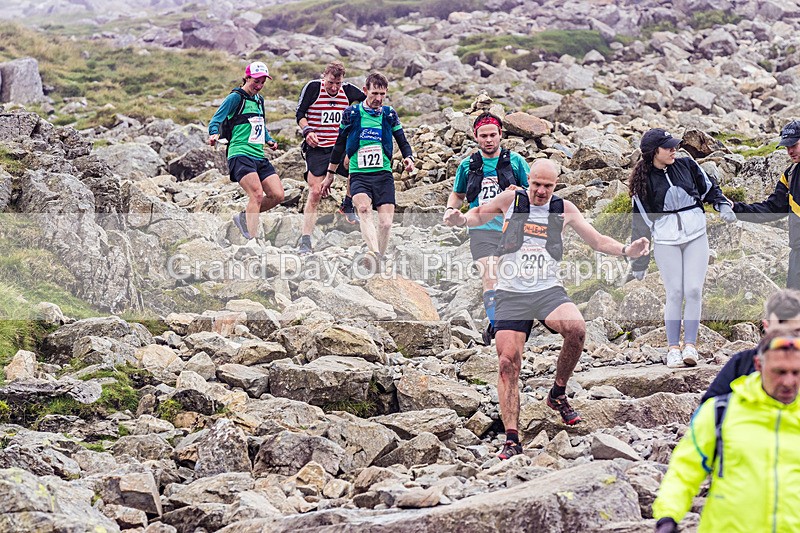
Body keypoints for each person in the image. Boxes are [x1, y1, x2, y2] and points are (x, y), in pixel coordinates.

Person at [444, 159, 649, 459]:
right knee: (507, 363)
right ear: (529, 179)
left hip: (546, 291)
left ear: (556, 185)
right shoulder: (511, 199)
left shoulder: (564, 209)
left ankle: (557, 393)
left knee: (577, 329)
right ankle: (512, 438)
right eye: (536, 184)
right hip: (511, 293)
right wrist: (459, 219)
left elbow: (596, 239)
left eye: (548, 186)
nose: (541, 191)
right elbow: (476, 215)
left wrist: (626, 251)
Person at [652, 324, 800, 533]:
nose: (788, 382)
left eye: (796, 372)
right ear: (758, 364)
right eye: (779, 372)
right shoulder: (720, 412)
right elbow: (684, 471)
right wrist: (667, 517)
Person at [630, 128, 735, 369]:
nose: (673, 149)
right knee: (675, 292)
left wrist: (721, 205)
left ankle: (690, 346)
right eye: (667, 147)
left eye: (673, 145)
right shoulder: (642, 183)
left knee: (694, 290)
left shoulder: (687, 165)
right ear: (653, 152)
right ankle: (673, 349)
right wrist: (639, 263)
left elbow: (709, 189)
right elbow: (641, 225)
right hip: (666, 241)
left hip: (696, 235)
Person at [443, 112, 529, 345]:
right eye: (484, 136)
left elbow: (536, 195)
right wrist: (451, 210)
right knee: (489, 277)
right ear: (475, 136)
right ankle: (498, 327)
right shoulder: (468, 165)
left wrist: (518, 191)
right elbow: (458, 194)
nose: (489, 140)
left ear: (501, 134)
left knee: (509, 279)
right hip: (481, 231)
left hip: (512, 229)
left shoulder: (516, 162)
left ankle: (501, 324)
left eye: (493, 135)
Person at [321, 72, 415, 270]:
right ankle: (373, 253)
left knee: (386, 223)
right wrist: (330, 174)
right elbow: (339, 145)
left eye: (382, 94)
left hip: (383, 175)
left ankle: (378, 257)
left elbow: (402, 140)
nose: (378, 99)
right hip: (359, 174)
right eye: (374, 94)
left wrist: (409, 157)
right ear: (365, 91)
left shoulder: (389, 114)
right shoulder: (352, 113)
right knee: (363, 209)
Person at [295, 61, 367, 254]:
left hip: (338, 147)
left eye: (338, 83)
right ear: (323, 77)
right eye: (330, 83)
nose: (334, 88)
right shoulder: (313, 88)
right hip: (316, 148)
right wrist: (307, 130)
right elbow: (300, 113)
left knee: (357, 164)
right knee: (315, 192)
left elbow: (369, 102)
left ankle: (347, 204)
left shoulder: (349, 91)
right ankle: (305, 240)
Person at [208, 61, 283, 240]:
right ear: (247, 77)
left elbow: (260, 123)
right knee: (256, 195)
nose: (259, 86)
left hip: (258, 155)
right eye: (256, 81)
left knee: (277, 195)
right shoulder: (236, 97)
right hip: (240, 153)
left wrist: (269, 139)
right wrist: (213, 134)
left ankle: (244, 216)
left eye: (263, 82)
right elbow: (216, 119)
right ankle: (252, 241)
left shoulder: (259, 100)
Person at [731, 120, 800, 289]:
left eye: (794, 145)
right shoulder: (789, 175)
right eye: (786, 146)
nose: (790, 151)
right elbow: (771, 209)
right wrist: (736, 208)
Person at [701, 288, 800, 403]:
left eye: (796, 332)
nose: (788, 341)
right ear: (766, 326)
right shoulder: (742, 363)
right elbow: (708, 408)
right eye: (779, 334)